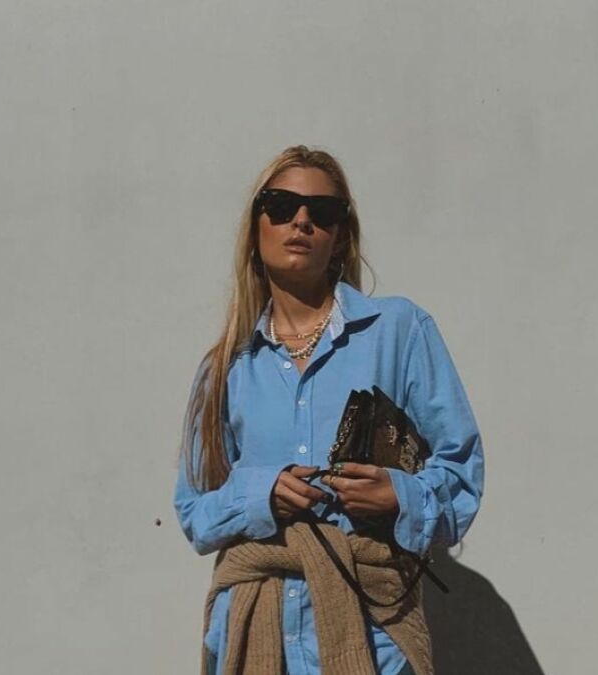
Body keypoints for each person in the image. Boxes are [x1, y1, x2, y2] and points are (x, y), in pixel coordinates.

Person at [173, 144, 484, 675]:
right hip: (257, 634)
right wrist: (259, 494)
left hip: (374, 639)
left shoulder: (399, 331)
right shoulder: (224, 367)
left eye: (322, 211)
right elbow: (194, 511)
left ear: (340, 236)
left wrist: (398, 494)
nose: (301, 221)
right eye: (281, 206)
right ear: (256, 227)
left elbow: (462, 474)